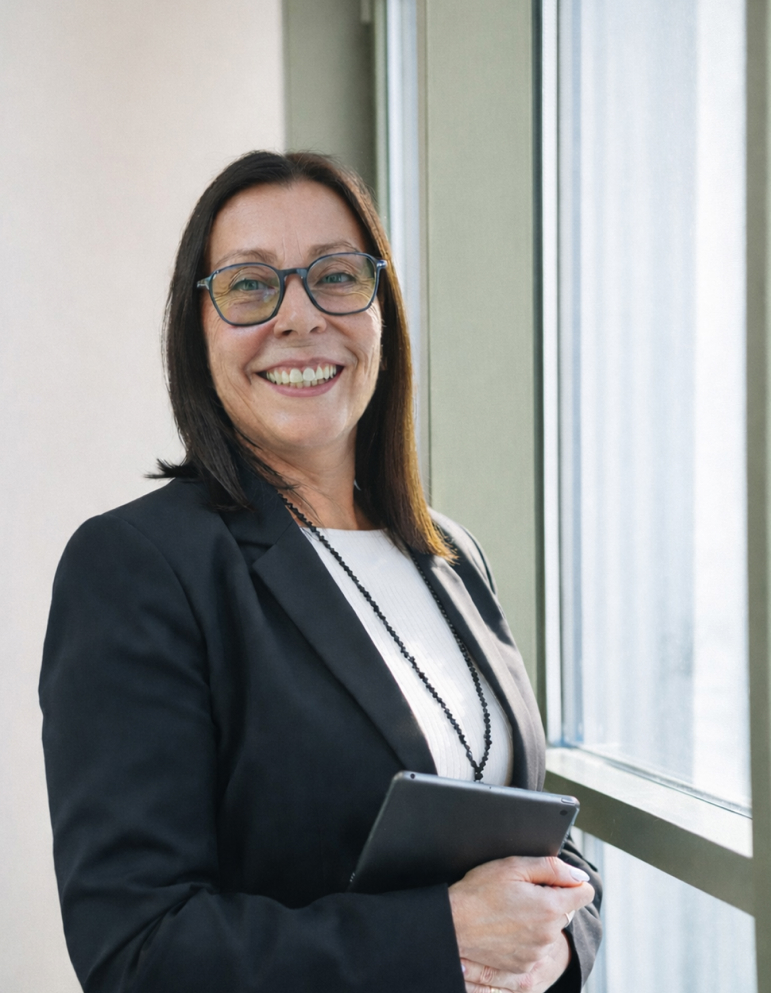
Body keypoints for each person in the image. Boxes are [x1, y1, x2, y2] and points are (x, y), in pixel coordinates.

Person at [39, 150, 602, 993]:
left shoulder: (449, 554)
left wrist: (558, 946)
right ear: (197, 330)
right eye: (250, 285)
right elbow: (138, 950)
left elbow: (540, 841)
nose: (300, 318)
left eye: (336, 276)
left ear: (382, 314)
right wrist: (440, 936)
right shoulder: (138, 566)